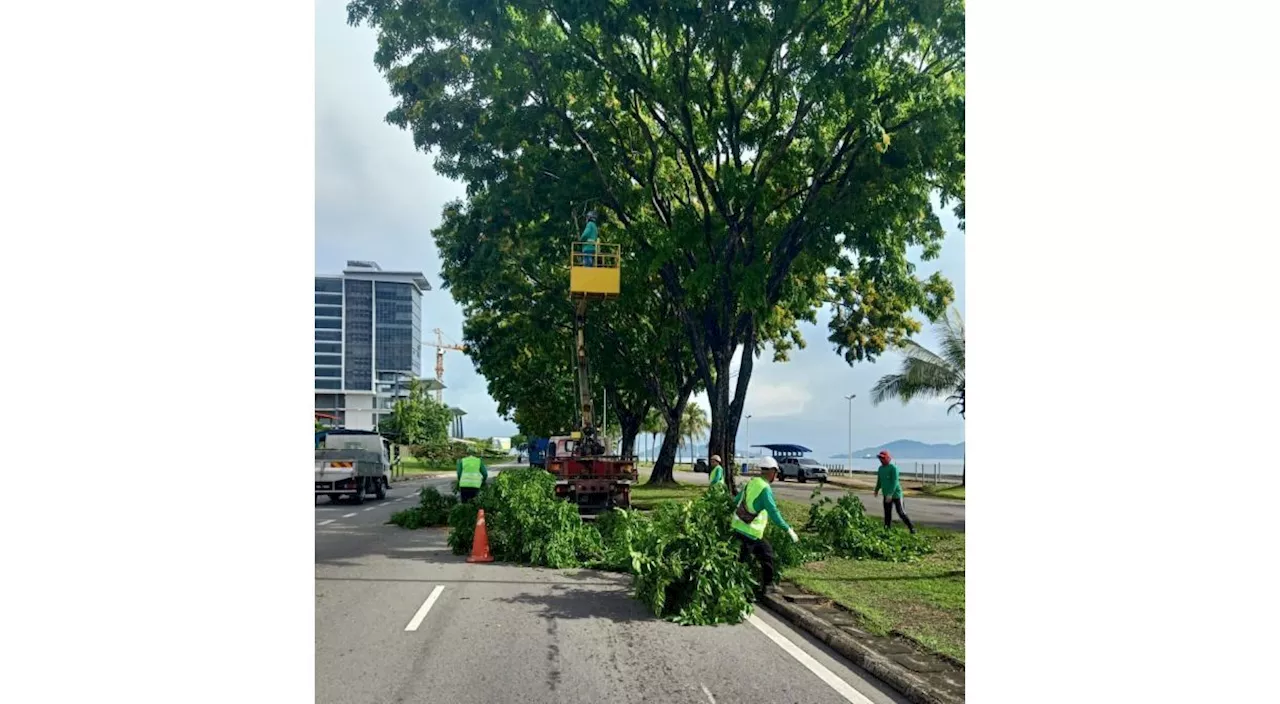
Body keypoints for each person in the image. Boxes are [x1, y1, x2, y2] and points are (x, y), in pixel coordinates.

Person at [731, 456, 799, 598]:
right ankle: (768, 586)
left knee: (740, 560)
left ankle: (735, 586)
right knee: (767, 555)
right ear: (771, 471)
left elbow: (736, 500)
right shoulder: (764, 489)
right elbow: (773, 512)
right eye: (776, 472)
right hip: (751, 532)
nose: (776, 475)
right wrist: (788, 529)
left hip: (738, 528)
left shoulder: (752, 482)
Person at [873, 450, 915, 534]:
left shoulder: (893, 468)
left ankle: (912, 528)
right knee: (887, 513)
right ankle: (887, 530)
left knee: (901, 512)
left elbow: (894, 482)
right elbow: (879, 481)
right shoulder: (880, 469)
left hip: (896, 495)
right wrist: (876, 490)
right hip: (886, 494)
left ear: (888, 458)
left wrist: (890, 494)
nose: (881, 460)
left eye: (883, 458)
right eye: (880, 458)